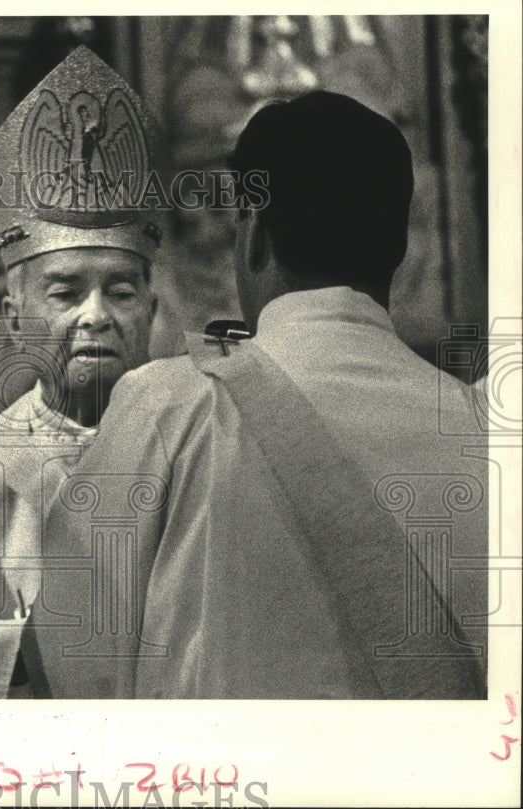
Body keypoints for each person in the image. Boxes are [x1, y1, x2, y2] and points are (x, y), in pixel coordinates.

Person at [32, 90, 488, 699]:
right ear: (400, 248)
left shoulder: (171, 406)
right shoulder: (481, 426)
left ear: (253, 233)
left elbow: (72, 655)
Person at [0, 46, 161, 697]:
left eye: (120, 291)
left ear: (152, 308)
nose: (96, 315)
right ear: (14, 316)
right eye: (65, 292)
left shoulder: (198, 455)